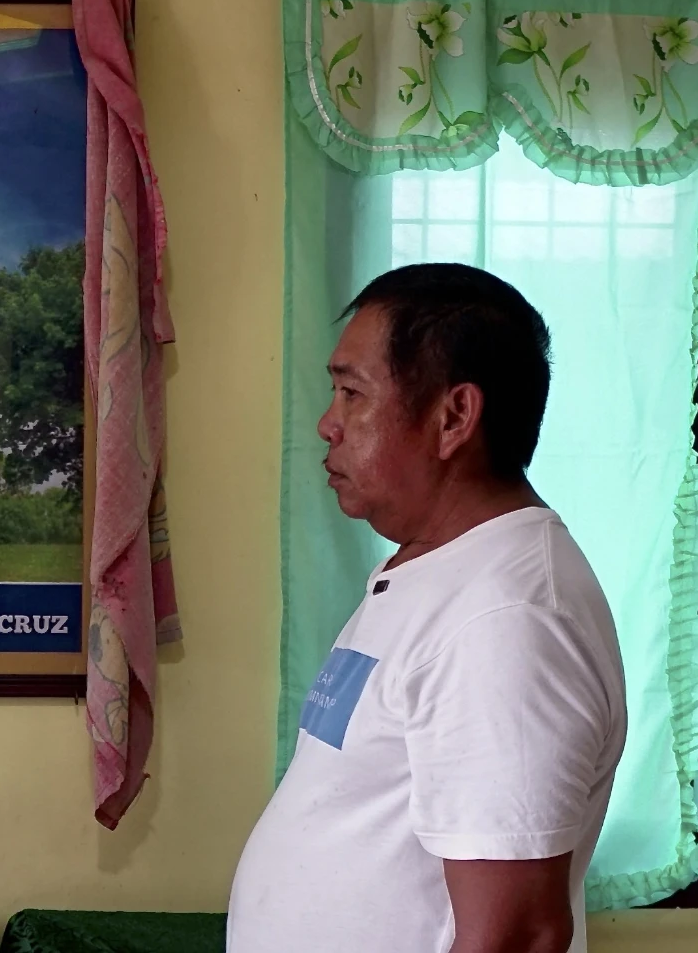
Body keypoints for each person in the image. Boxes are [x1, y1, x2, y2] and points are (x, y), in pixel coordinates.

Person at [227, 264, 627, 953]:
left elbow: (520, 934)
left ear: (453, 417)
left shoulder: (507, 619)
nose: (328, 423)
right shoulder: (431, 570)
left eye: (353, 393)